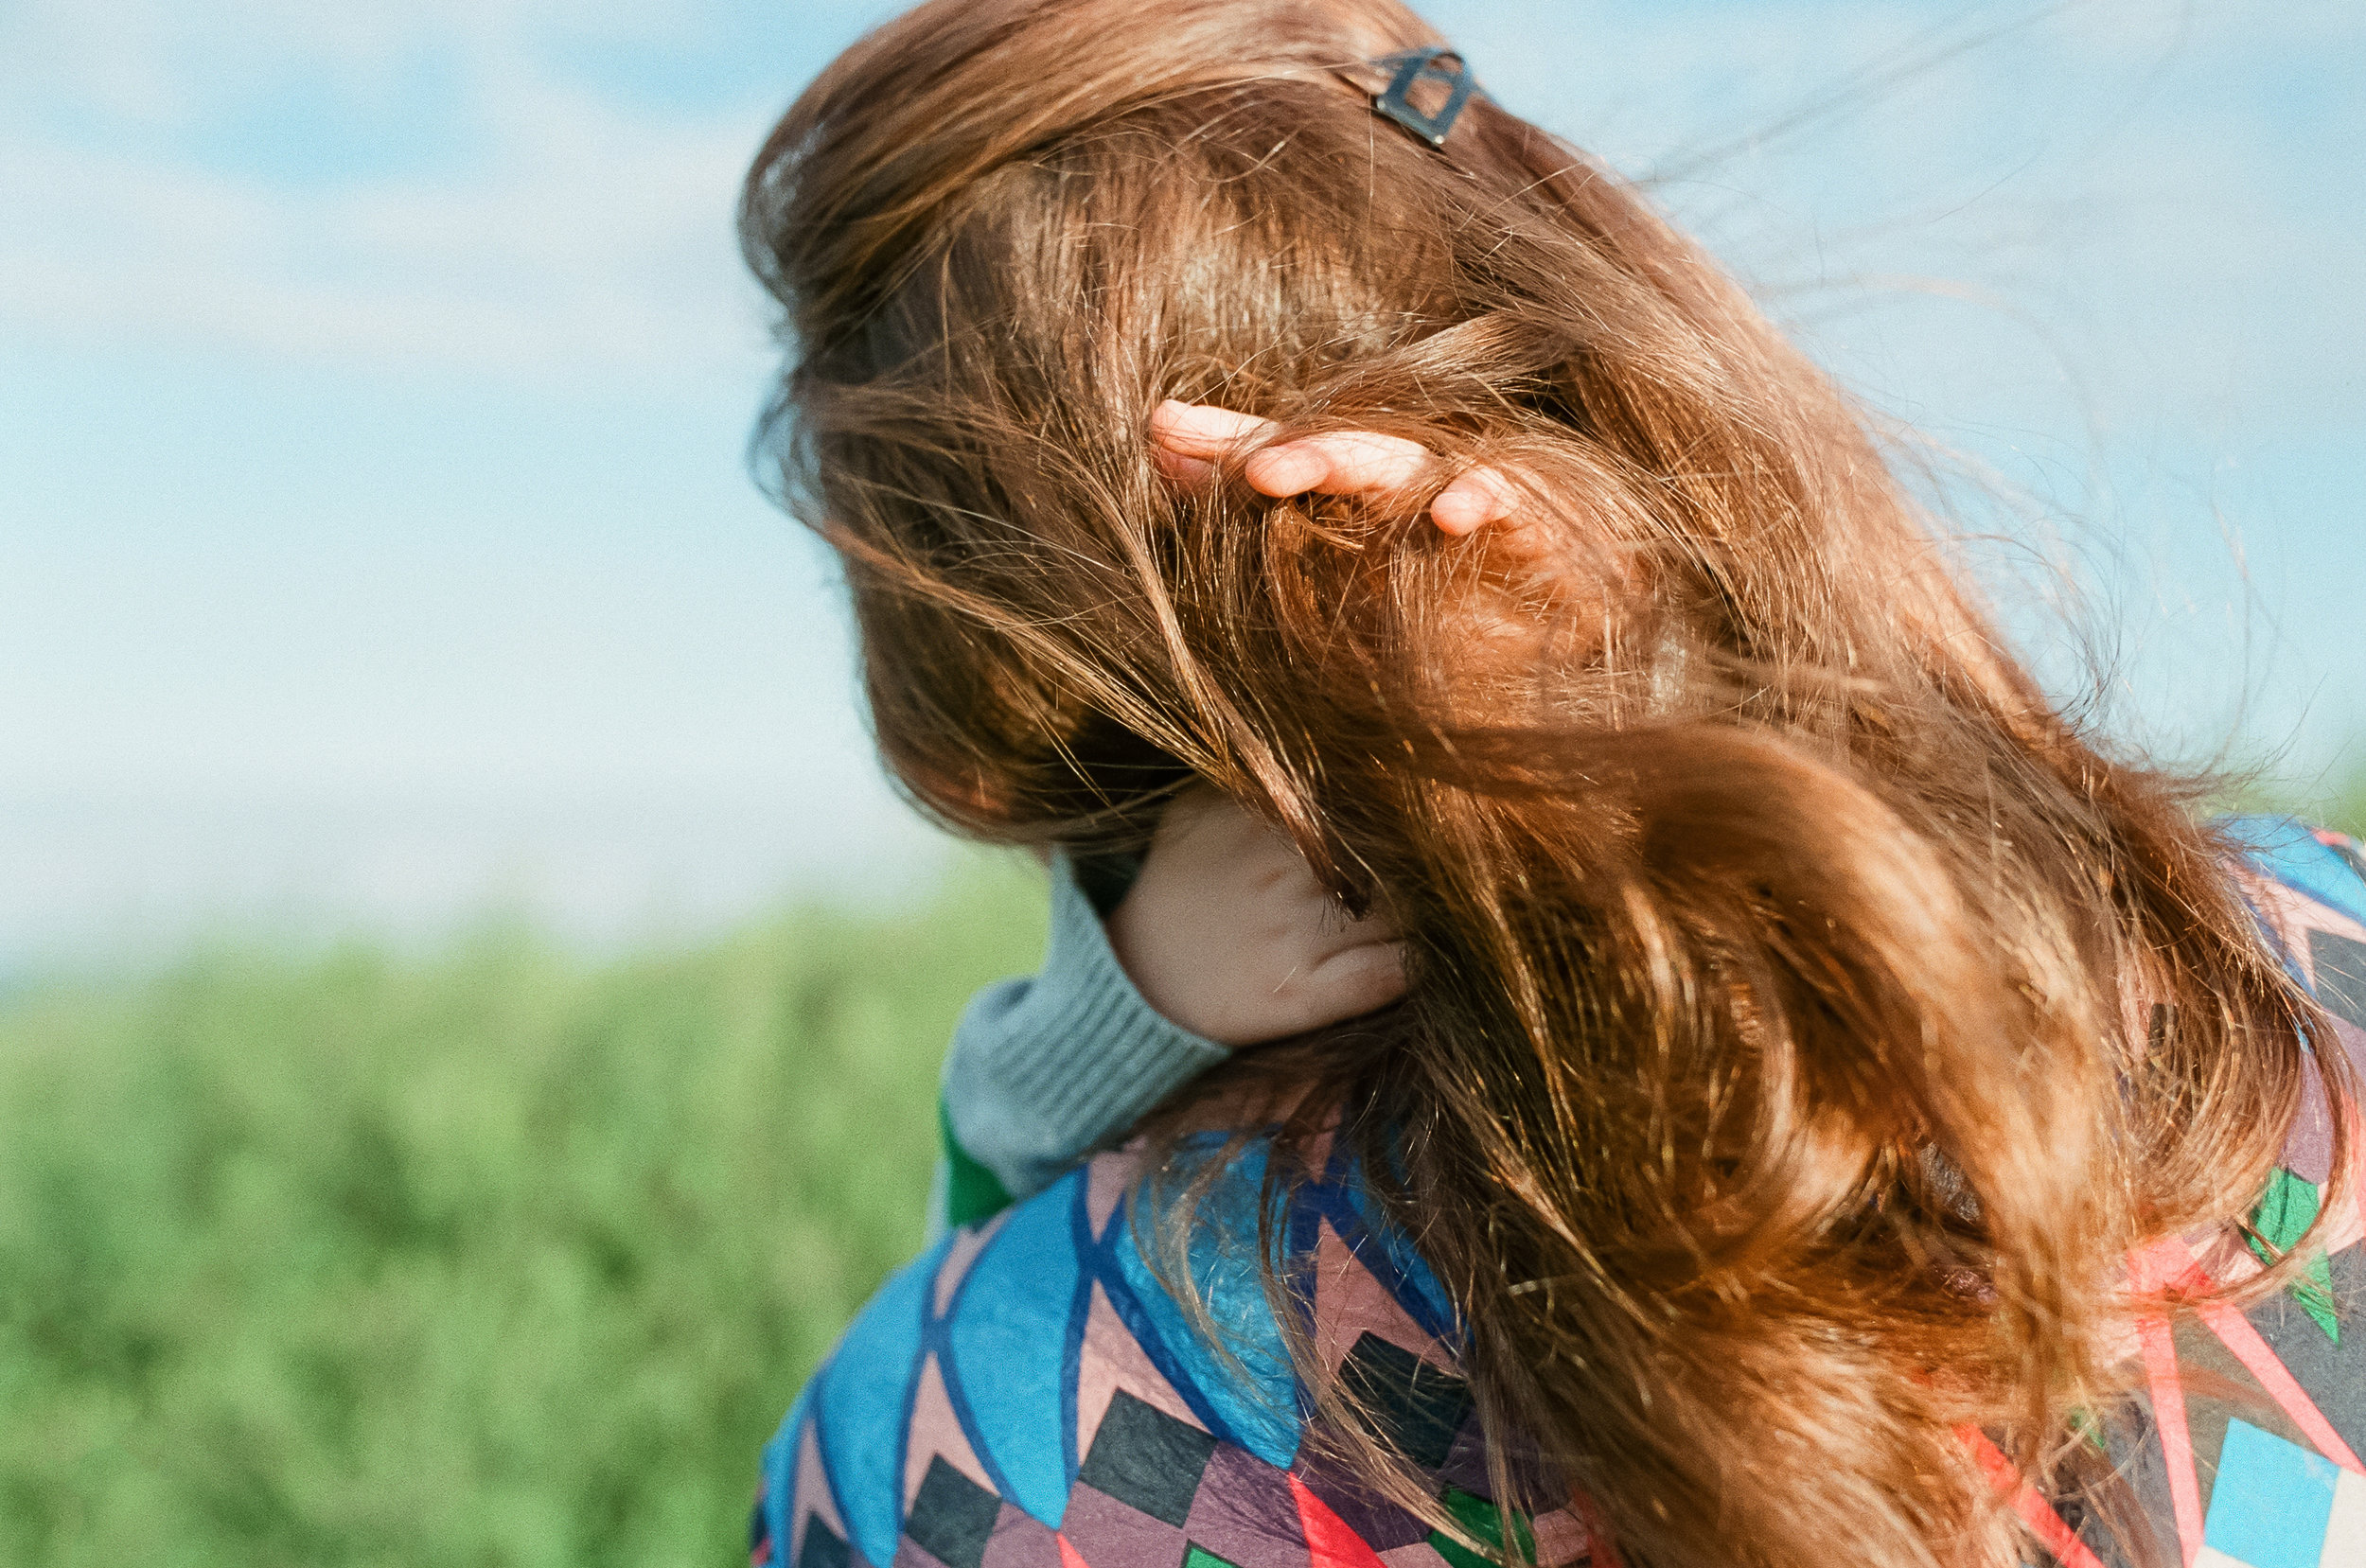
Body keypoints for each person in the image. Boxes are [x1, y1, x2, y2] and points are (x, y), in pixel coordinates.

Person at [737, 3, 2365, 1565]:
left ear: (989, 694)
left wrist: (1132, 997)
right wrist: (1687, 681)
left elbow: (1002, 1220)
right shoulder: (2302, 963)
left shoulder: (949, 1455)